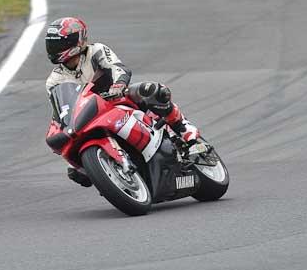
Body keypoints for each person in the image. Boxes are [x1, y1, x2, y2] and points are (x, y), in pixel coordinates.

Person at [45, 17, 200, 188]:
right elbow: (62, 107)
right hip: (88, 116)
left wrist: (118, 84)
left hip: (117, 97)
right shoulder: (54, 80)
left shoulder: (96, 51)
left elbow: (117, 67)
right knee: (75, 172)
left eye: (60, 44)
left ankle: (184, 130)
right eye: (52, 45)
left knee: (152, 90)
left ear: (78, 40)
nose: (55, 49)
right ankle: (112, 175)